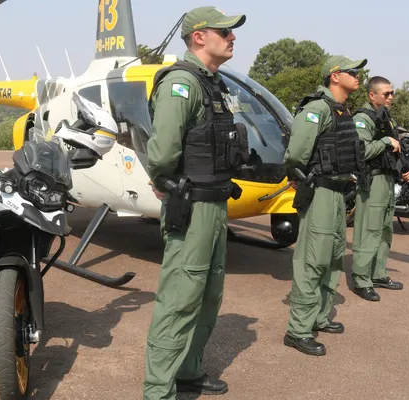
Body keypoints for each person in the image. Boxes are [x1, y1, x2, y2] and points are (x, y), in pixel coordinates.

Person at [142, 6, 248, 399]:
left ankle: (188, 370)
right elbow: (163, 151)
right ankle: (158, 390)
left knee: (207, 296)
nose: (233, 37)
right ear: (199, 36)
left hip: (216, 204)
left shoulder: (213, 84)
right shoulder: (181, 83)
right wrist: (162, 180)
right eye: (226, 31)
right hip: (193, 206)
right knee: (179, 299)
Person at [282, 55, 368, 357]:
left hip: (337, 193)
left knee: (332, 256)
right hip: (319, 192)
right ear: (335, 76)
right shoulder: (317, 108)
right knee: (312, 259)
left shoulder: (342, 110)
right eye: (353, 71)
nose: (359, 75)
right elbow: (296, 154)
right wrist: (297, 176)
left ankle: (320, 315)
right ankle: (298, 330)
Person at [350, 76, 409, 302]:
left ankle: (378, 274)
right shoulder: (362, 118)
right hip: (372, 181)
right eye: (386, 94)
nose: (390, 97)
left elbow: (394, 149)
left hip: (387, 180)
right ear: (372, 95)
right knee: (369, 230)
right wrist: (386, 142)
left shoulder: (385, 118)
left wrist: (404, 170)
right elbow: (362, 151)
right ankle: (361, 279)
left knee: (385, 230)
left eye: (391, 93)